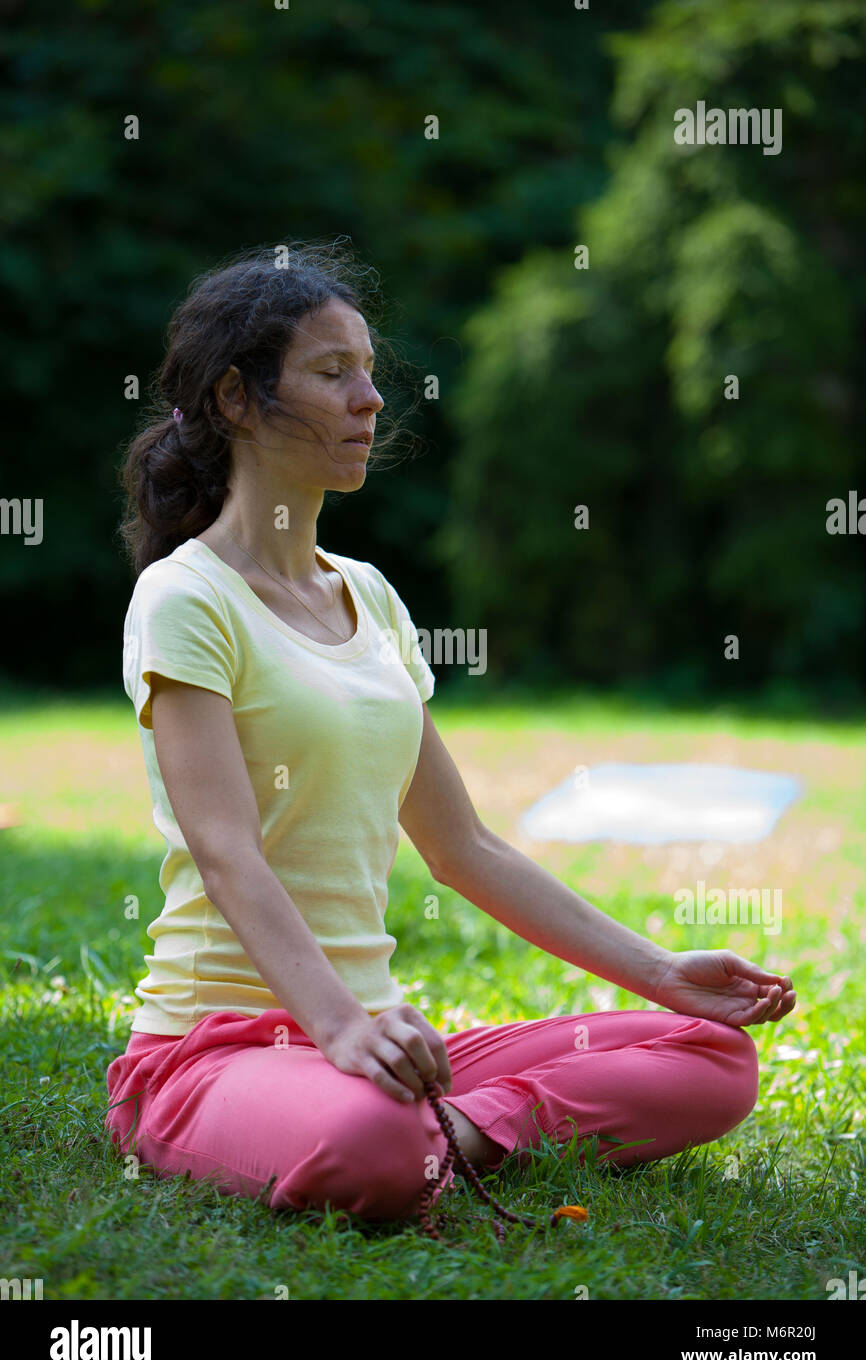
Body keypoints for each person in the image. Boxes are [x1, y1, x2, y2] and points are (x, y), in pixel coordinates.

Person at [106, 240, 796, 1223]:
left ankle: (451, 1130)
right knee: (370, 1146)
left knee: (711, 1057)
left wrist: (658, 971)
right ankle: (405, 1133)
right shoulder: (185, 599)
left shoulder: (372, 598)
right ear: (233, 399)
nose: (369, 401)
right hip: (218, 1049)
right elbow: (226, 852)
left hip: (373, 1035)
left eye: (369, 374)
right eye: (332, 373)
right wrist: (337, 1026)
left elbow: (461, 844)